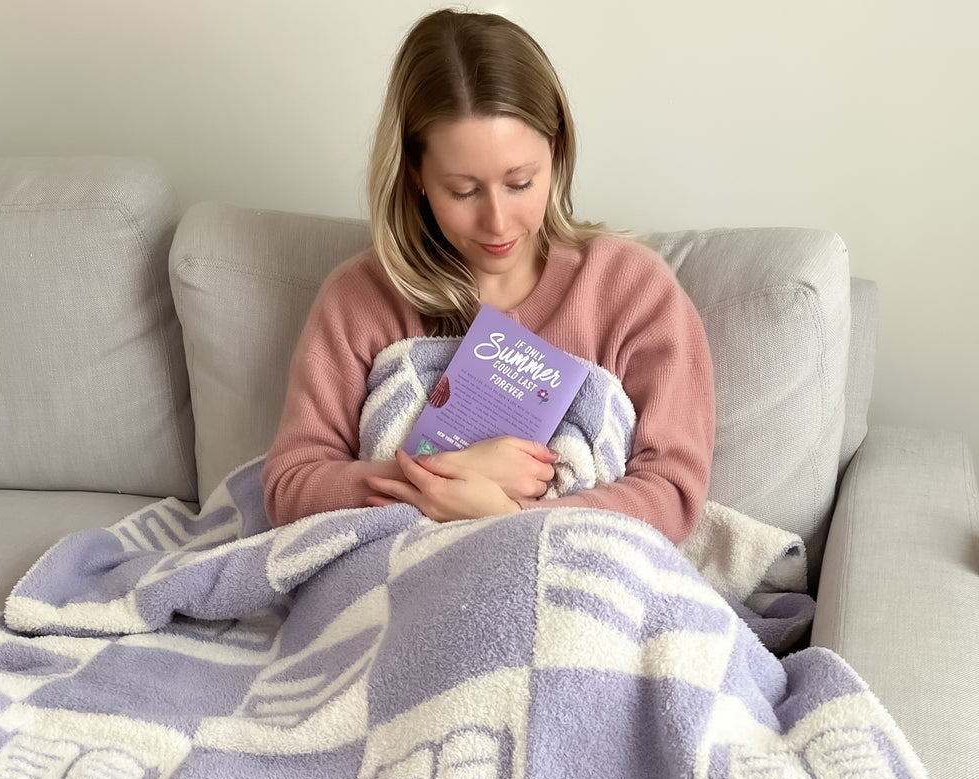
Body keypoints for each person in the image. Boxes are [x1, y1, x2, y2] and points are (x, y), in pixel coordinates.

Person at [262, 8, 715, 543]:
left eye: (520, 182)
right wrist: (447, 473)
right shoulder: (361, 299)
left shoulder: (631, 290)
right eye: (463, 190)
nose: (497, 222)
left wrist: (503, 514)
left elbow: (672, 491)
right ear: (415, 174)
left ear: (557, 152)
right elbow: (289, 486)